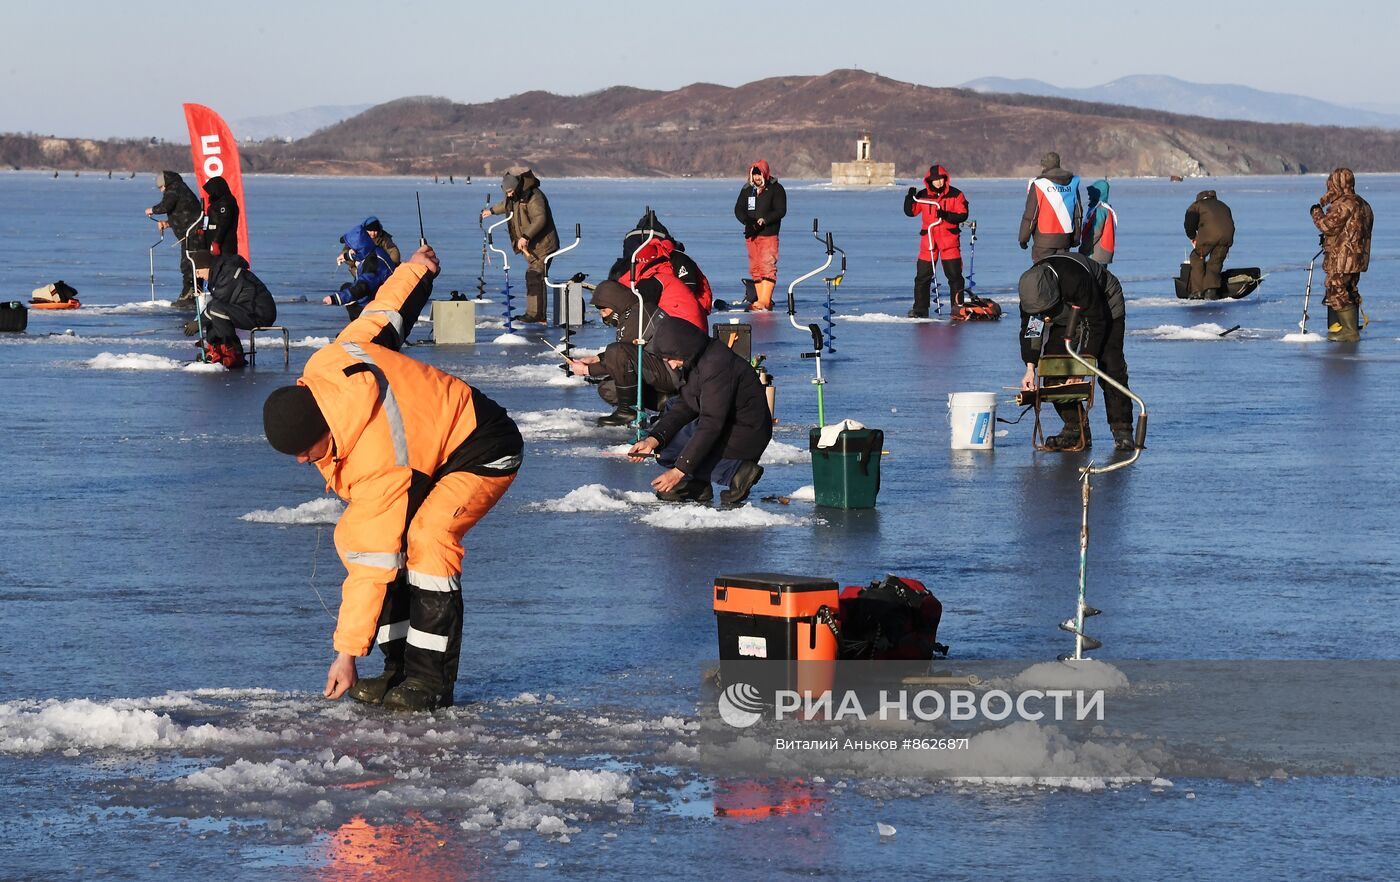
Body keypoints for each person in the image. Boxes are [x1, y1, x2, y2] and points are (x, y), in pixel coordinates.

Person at [261, 245, 522, 712]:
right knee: (386, 544)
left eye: (306, 452)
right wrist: (417, 270)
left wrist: (345, 656)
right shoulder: (327, 366)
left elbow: (369, 566)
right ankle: (397, 668)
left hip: (483, 445)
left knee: (427, 539)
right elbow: (384, 315)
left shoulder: (377, 461)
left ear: (324, 429)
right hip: (429, 444)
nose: (303, 463)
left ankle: (429, 681)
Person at [627, 316, 771, 505]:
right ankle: (697, 485)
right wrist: (653, 440)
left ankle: (736, 472)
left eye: (671, 358)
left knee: (677, 450)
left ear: (682, 346)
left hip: (746, 432)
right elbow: (686, 405)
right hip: (728, 425)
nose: (670, 365)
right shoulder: (697, 359)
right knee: (665, 446)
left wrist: (679, 472)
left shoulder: (716, 365)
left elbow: (711, 423)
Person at [1017, 253, 1136, 452]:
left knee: (1110, 365)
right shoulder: (1031, 294)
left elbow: (1095, 323)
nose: (1044, 317)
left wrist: (1081, 368)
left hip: (1104, 304)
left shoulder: (1075, 279)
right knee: (1054, 367)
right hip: (1066, 316)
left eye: (1047, 311)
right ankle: (1075, 428)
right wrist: (1030, 368)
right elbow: (1032, 330)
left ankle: (1122, 430)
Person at [567, 279, 677, 426]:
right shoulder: (632, 312)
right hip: (659, 369)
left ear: (614, 303)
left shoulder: (637, 316)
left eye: (604, 310)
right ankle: (662, 401)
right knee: (608, 388)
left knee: (616, 351)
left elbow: (622, 355)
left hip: (672, 373)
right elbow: (628, 352)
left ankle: (629, 411)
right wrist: (597, 359)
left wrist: (587, 370)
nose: (603, 316)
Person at [479, 169, 558, 323]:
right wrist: (492, 211)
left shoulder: (534, 196)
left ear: (517, 186)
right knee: (533, 276)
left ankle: (537, 316)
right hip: (532, 246)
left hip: (543, 245)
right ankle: (535, 314)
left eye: (510, 191)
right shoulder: (515, 195)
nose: (508, 194)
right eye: (506, 192)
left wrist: (525, 236)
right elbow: (507, 205)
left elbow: (540, 219)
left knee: (535, 276)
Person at [1310, 168, 1374, 343]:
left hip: (1343, 257)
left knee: (1336, 288)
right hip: (1358, 257)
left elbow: (1327, 226)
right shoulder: (1364, 204)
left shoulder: (1344, 203)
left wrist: (1316, 212)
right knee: (1349, 289)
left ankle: (1349, 330)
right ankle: (1348, 327)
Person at [186, 251, 276, 369]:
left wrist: (198, 323)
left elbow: (218, 304)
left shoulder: (227, 274)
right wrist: (198, 321)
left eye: (198, 271)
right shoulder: (220, 274)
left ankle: (231, 352)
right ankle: (217, 348)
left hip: (259, 313)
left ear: (206, 267)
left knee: (215, 310)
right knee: (213, 311)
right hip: (247, 309)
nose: (197, 275)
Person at [903, 164, 969, 318]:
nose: (938, 182)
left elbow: (963, 214)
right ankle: (920, 309)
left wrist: (946, 215)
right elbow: (910, 212)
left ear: (945, 179)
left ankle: (957, 308)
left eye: (940, 179)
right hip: (929, 241)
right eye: (935, 180)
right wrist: (909, 197)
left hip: (949, 240)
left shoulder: (956, 194)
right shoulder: (923, 195)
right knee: (922, 277)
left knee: (955, 276)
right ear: (929, 181)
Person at [144, 170, 205, 306]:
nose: (161, 191)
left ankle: (190, 295)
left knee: (189, 263)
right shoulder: (181, 188)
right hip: (191, 231)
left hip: (192, 234)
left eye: (161, 188)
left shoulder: (174, 188)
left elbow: (166, 206)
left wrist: (152, 210)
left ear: (165, 184)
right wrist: (168, 223)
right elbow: (184, 214)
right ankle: (194, 293)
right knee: (192, 262)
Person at [733, 160, 786, 311]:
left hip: (768, 234)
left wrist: (765, 220)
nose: (756, 178)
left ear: (765, 174)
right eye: (754, 175)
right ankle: (760, 301)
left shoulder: (776, 189)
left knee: (767, 266)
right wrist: (747, 221)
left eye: (759, 175)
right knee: (755, 267)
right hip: (752, 234)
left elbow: (780, 211)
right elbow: (738, 209)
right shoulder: (747, 190)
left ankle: (765, 301)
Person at [326, 221, 398, 318]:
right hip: (377, 292)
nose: (350, 250)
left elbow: (362, 287)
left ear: (358, 247)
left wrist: (336, 298)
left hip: (378, 303)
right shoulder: (373, 250)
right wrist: (346, 256)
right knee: (346, 286)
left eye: (352, 248)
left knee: (350, 293)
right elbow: (361, 254)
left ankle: (359, 322)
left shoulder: (372, 263)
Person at [1018, 152, 1082, 262]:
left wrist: (1024, 238)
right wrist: (1076, 237)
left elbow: (1031, 215)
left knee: (1043, 272)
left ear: (1044, 166)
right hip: (1065, 239)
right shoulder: (1072, 183)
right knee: (1061, 271)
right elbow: (1078, 214)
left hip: (1044, 240)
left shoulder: (1039, 184)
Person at [1183, 190, 1235, 297]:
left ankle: (1197, 291)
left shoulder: (1197, 205)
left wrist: (1192, 237)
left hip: (1208, 237)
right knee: (1215, 261)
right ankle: (1211, 290)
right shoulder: (1224, 205)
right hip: (1227, 236)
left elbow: (1189, 223)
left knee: (1197, 257)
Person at [1079, 179, 1117, 265]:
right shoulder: (1106, 209)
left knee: (1094, 277)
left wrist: (1083, 249)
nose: (1088, 195)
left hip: (1096, 254)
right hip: (1102, 254)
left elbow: (1095, 233)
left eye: (1091, 193)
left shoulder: (1100, 210)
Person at [202, 175, 240, 258]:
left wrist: (216, 242)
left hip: (224, 244)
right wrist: (204, 229)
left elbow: (224, 223)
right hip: (212, 240)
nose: (210, 194)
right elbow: (209, 218)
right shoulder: (216, 202)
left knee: (224, 266)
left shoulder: (225, 202)